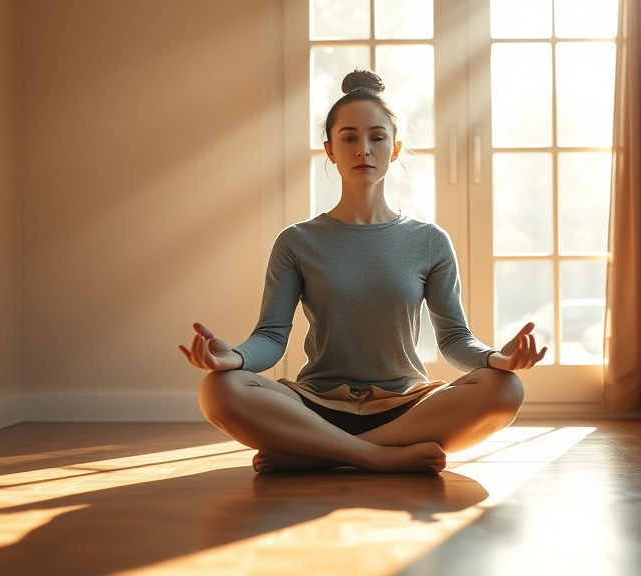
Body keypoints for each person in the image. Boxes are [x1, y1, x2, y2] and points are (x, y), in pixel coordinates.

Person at [180, 69, 547, 475]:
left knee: (505, 388)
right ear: (330, 150)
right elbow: (271, 337)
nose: (363, 150)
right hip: (315, 405)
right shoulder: (297, 241)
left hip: (405, 407)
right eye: (349, 138)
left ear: (394, 148)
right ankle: (376, 457)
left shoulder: (429, 241)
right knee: (217, 390)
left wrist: (496, 357)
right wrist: (233, 357)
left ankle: (316, 453)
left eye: (376, 137)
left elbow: (456, 340)